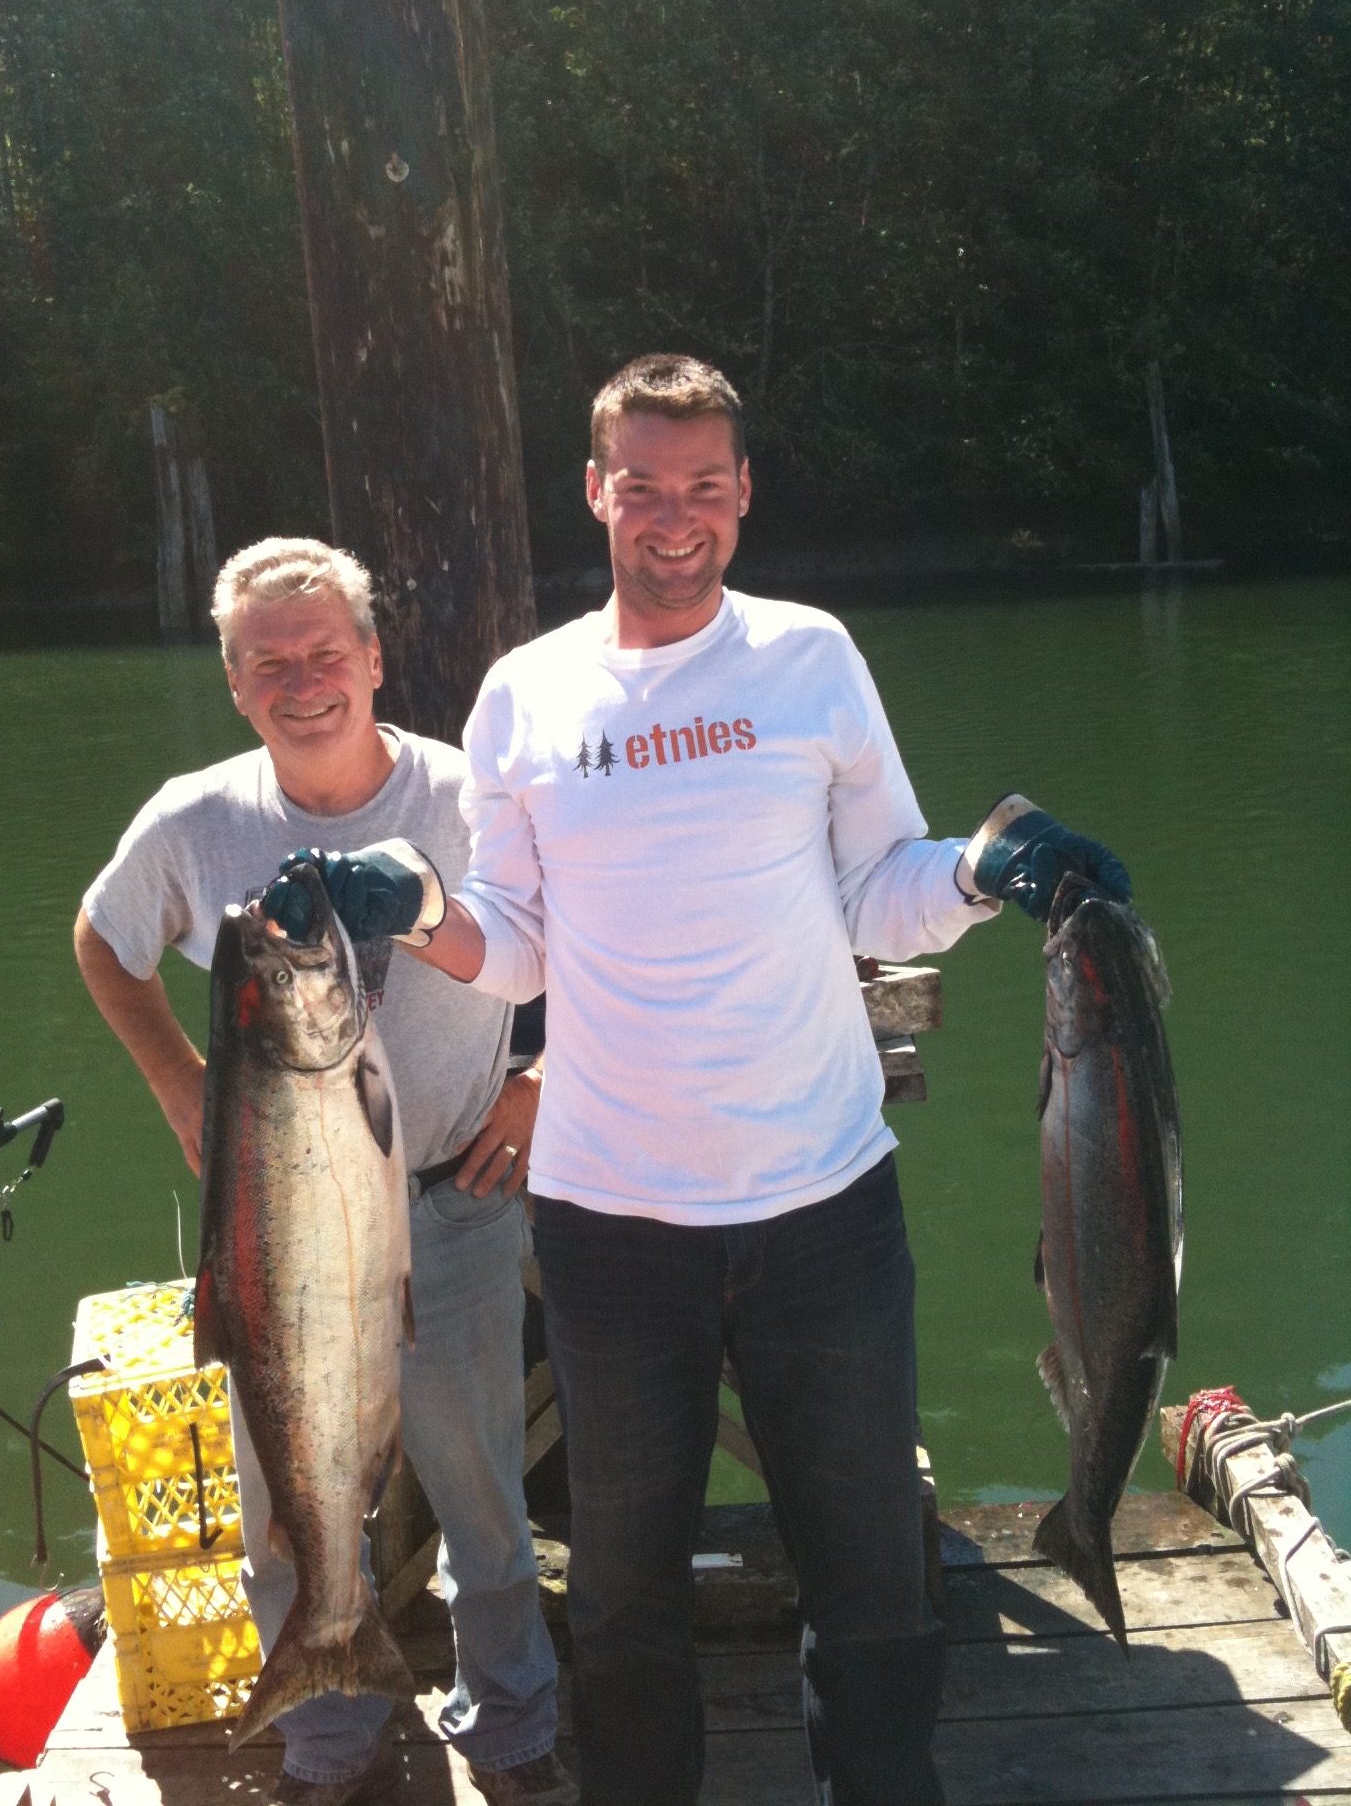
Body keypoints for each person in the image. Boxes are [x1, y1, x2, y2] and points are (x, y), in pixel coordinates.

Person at [265, 358, 1131, 1806]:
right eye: (646, 486)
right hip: (611, 1232)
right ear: (597, 489)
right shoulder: (524, 693)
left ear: (741, 496)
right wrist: (410, 902)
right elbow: (518, 945)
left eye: (706, 488)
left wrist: (987, 871)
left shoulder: (810, 657)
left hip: (825, 1214)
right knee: (616, 1596)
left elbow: (877, 890)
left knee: (869, 1579)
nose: (678, 518)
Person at [73, 537, 575, 1806]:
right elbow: (104, 940)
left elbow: (595, 935)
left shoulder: (477, 796)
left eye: (326, 651)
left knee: (480, 1491)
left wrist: (539, 1076)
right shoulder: (192, 819)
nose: (304, 679)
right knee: (283, 1480)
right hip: (271, 1231)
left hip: (454, 1199)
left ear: (374, 657)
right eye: (270, 661)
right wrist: (183, 1081)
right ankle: (329, 1729)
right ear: (236, 682)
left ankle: (511, 1720)